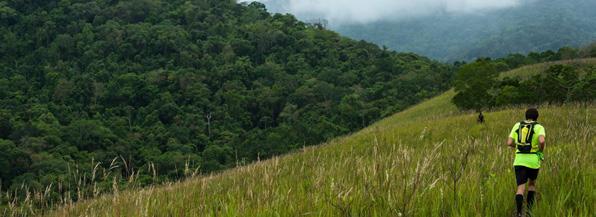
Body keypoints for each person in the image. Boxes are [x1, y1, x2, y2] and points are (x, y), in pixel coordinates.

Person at [506, 108, 546, 217]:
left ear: (526, 116)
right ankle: (529, 211)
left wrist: (518, 146)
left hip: (519, 160)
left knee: (520, 188)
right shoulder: (539, 127)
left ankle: (519, 213)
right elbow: (542, 140)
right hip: (533, 160)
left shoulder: (517, 125)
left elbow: (509, 142)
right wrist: (540, 150)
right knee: (532, 184)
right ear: (537, 117)